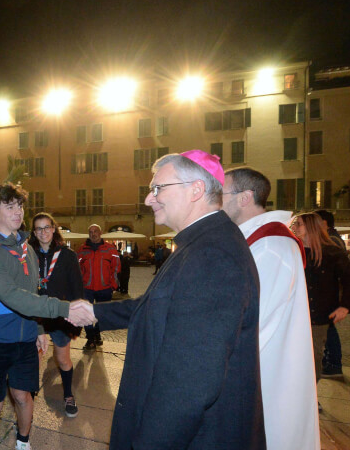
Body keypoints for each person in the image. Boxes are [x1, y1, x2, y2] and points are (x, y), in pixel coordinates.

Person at [87, 151, 265, 449]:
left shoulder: (211, 254)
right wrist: (94, 313)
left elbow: (189, 382)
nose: (149, 199)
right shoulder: (201, 242)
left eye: (158, 188)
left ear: (196, 189)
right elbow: (157, 305)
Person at [0, 183, 94, 450]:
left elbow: (32, 293)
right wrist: (65, 308)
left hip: (25, 339)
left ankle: (23, 441)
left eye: (20, 206)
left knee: (23, 397)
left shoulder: (27, 249)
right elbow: (13, 296)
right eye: (10, 207)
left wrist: (38, 330)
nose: (18, 212)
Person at [222, 167, 319, 449]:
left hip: (266, 373)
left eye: (220, 194)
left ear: (244, 197)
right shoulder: (259, 240)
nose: (214, 202)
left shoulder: (270, 246)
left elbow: (255, 321)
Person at [290, 213, 350, 396]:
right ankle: (297, 397)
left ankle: (308, 398)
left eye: (299, 224)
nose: (294, 227)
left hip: (318, 317)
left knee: (313, 359)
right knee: (293, 359)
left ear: (311, 227)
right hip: (293, 316)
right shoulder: (292, 250)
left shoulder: (332, 253)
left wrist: (345, 306)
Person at [29, 212, 84, 418]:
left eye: (46, 227)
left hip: (60, 315)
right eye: (39, 228)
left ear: (53, 229)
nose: (43, 232)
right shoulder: (29, 255)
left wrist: (77, 316)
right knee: (33, 358)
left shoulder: (67, 255)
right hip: (36, 314)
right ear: (34, 232)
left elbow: (77, 287)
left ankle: (68, 394)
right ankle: (29, 395)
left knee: (62, 359)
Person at [314, 209, 347, 378]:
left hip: (330, 292)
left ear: (324, 223)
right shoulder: (334, 238)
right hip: (331, 291)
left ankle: (334, 364)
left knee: (328, 328)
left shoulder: (331, 240)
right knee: (328, 327)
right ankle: (333, 362)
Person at [76, 224, 120, 350]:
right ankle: (90, 339)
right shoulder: (82, 250)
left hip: (105, 288)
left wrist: (113, 285)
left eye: (95, 231)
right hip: (86, 288)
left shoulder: (110, 249)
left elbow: (116, 268)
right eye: (90, 232)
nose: (93, 234)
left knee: (102, 314)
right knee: (86, 314)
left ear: (100, 233)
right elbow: (77, 269)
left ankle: (97, 334)